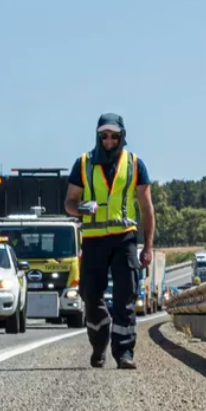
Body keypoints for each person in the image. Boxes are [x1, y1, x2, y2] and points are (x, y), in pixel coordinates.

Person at [64, 113, 155, 370]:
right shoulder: (82, 164)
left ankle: (124, 351)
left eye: (114, 136)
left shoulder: (135, 165)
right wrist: (82, 208)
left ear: (122, 136)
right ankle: (98, 341)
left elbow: (147, 209)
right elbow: (69, 203)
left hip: (124, 238)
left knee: (126, 294)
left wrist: (147, 247)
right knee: (90, 296)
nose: (109, 140)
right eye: (104, 135)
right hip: (93, 240)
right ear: (97, 135)